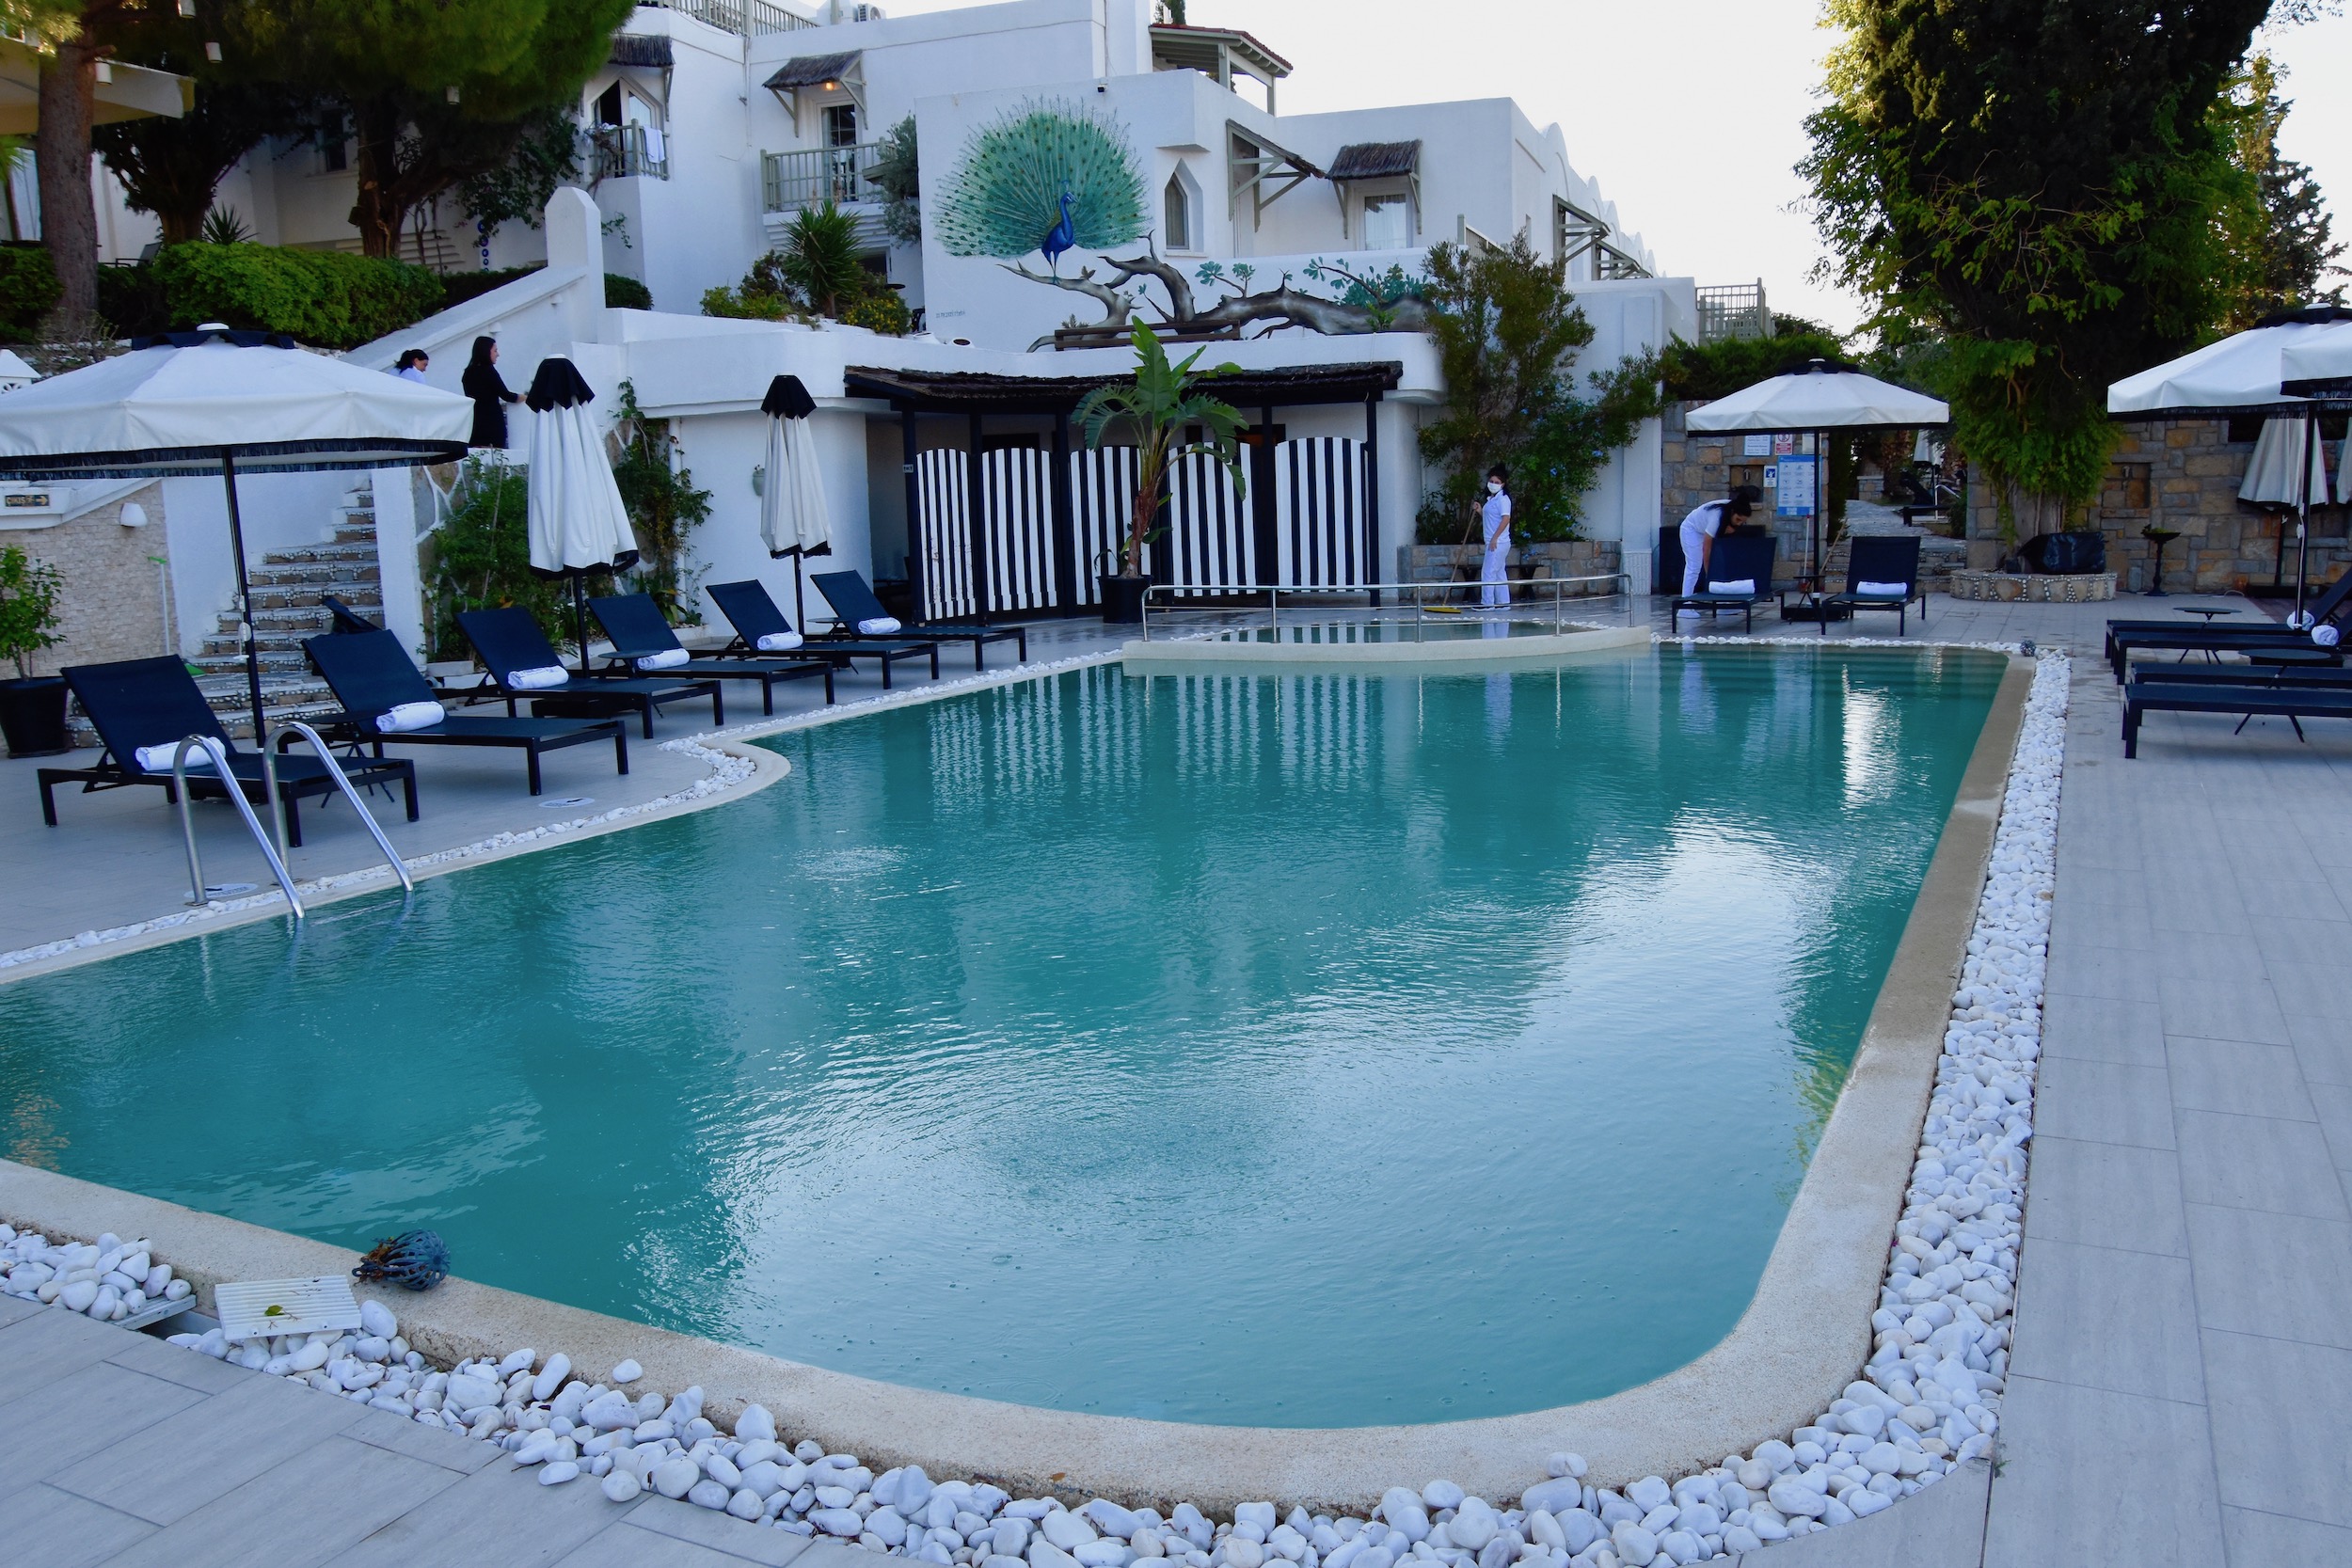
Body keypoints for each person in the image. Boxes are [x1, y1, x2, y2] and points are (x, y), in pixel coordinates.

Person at [1677, 484, 1761, 615]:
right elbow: (1707, 549)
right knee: (1694, 566)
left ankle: (1723, 605)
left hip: (1703, 531)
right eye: (1738, 520)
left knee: (1720, 565)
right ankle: (1685, 606)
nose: (1739, 524)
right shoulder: (1717, 517)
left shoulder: (1731, 513)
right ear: (1733, 512)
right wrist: (1709, 573)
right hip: (1691, 530)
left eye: (1742, 522)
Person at [461, 336, 519, 449]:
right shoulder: (488, 371)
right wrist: (524, 397)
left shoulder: (468, 373)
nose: (497, 354)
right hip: (492, 423)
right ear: (486, 351)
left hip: (475, 423)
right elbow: (506, 395)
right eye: (495, 350)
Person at [1475, 463, 1512, 609]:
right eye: (1491, 481)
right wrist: (1480, 511)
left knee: (1488, 572)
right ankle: (1504, 603)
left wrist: (1495, 538)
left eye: (1497, 482)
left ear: (1502, 484)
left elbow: (1505, 519)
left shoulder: (1503, 499)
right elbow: (1491, 518)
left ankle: (1487, 603)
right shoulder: (1492, 500)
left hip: (1498, 542)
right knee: (1498, 572)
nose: (1493, 484)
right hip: (1495, 541)